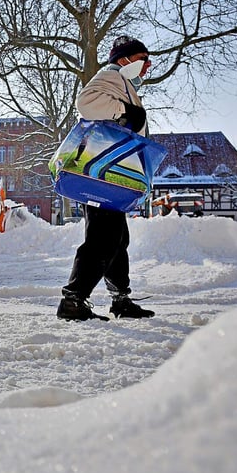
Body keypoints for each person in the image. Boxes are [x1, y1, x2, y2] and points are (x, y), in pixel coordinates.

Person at [57, 35, 155, 322]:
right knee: (104, 238)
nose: (147, 66)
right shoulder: (111, 75)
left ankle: (120, 299)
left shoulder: (121, 81)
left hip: (109, 174)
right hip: (102, 175)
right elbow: (86, 103)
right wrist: (126, 111)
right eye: (142, 59)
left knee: (117, 237)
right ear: (124, 60)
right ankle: (73, 300)